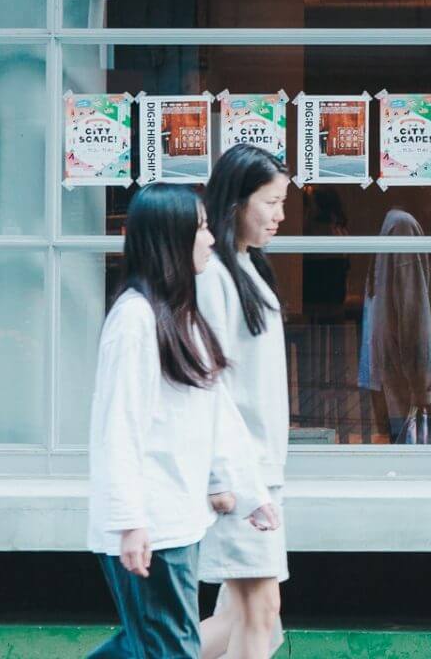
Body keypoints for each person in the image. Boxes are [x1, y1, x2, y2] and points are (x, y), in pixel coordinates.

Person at [87, 184, 276, 659]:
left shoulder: (180, 316)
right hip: (151, 525)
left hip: (178, 520)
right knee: (170, 647)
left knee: (147, 644)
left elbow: (216, 413)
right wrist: (130, 522)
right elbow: (119, 430)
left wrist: (249, 492)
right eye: (201, 229)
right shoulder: (134, 319)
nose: (211, 240)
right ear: (171, 238)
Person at [192, 146, 293, 659]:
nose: (280, 215)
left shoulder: (247, 268)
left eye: (282, 202)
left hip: (257, 471)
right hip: (241, 477)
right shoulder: (215, 277)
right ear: (236, 202)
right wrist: (229, 480)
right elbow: (211, 386)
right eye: (271, 202)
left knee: (240, 618)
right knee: (260, 615)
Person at [361, 187, 431, 444]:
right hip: (412, 370)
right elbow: (412, 307)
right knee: (418, 450)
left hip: (415, 365)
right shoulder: (403, 224)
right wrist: (422, 389)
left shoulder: (403, 222)